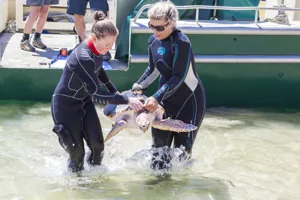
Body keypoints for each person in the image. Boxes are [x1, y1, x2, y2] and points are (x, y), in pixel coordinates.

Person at [51, 11, 143, 173]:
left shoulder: (97, 51)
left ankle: (95, 184)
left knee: (98, 147)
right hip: (65, 105)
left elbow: (99, 71)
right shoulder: (83, 56)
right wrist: (126, 101)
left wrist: (115, 91)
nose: (110, 49)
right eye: (107, 45)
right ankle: (76, 188)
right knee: (77, 154)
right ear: (94, 37)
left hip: (83, 101)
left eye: (112, 44)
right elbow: (95, 94)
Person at [131, 1, 206, 171]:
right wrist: (137, 86)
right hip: (165, 102)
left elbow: (178, 76)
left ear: (172, 23)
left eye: (159, 28)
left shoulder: (181, 42)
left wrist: (155, 97)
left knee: (182, 154)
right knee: (158, 153)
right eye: (151, 26)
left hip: (189, 102)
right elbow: (152, 69)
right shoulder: (153, 41)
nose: (154, 31)